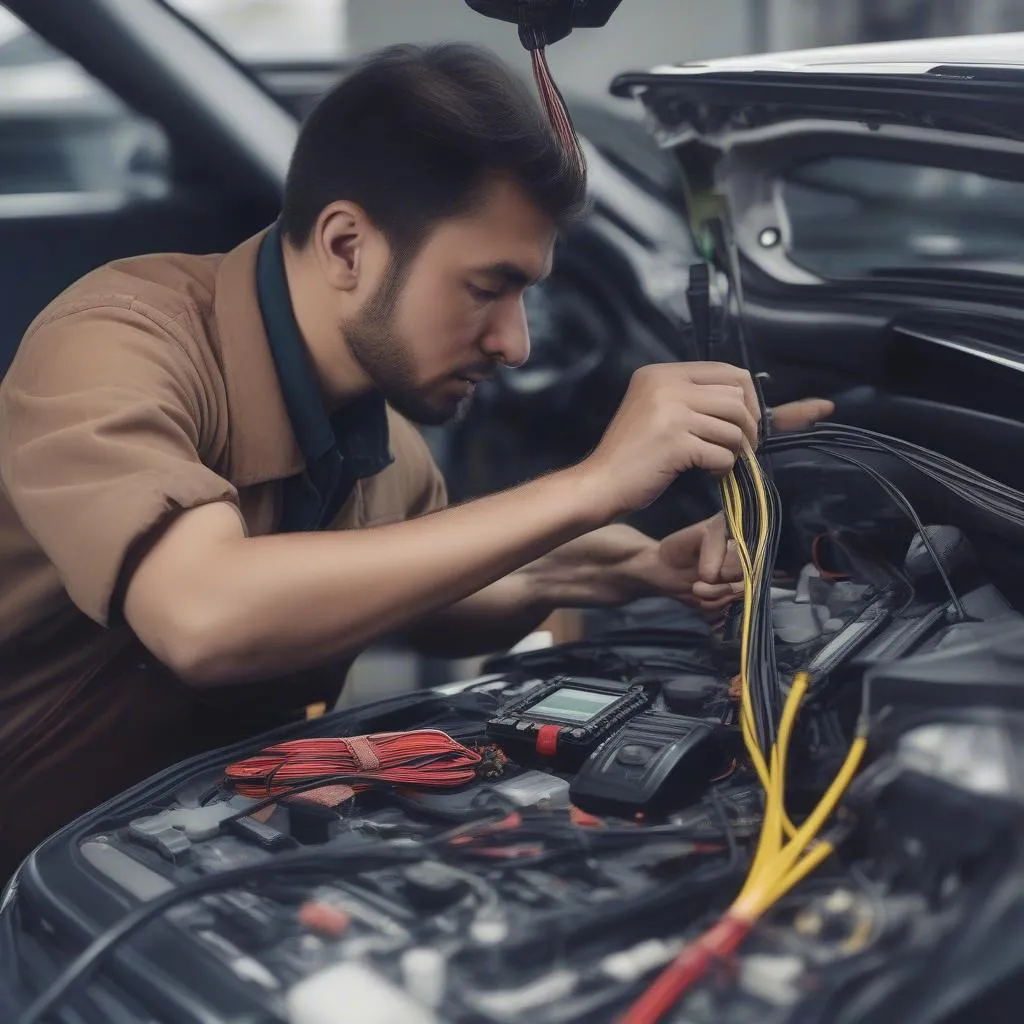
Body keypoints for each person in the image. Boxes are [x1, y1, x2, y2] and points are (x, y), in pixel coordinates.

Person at [0, 44, 831, 879]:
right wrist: (591, 485)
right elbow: (202, 615)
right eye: (485, 288)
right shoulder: (116, 343)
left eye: (524, 295)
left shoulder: (381, 444)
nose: (515, 343)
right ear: (348, 247)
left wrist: (637, 567)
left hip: (149, 862)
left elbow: (436, 582)